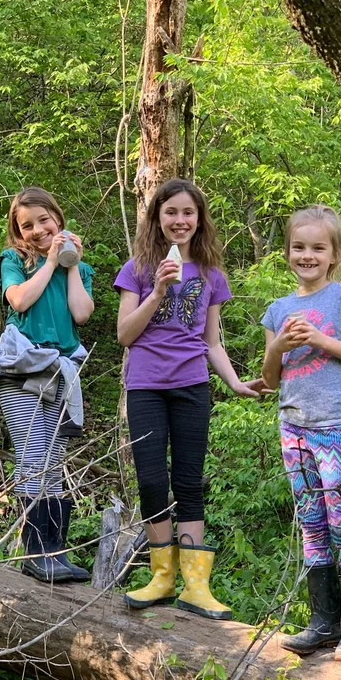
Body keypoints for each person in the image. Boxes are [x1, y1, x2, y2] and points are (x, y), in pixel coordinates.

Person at [115, 178, 264, 621]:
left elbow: (212, 341)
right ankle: (161, 578)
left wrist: (235, 383)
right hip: (145, 385)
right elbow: (124, 334)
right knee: (151, 481)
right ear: (157, 219)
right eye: (171, 213)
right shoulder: (137, 270)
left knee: (189, 480)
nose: (179, 221)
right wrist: (157, 291)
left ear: (199, 220)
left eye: (188, 213)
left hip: (192, 385)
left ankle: (197, 585)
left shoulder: (211, 274)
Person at [261, 205, 341, 662]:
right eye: (298, 247)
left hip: (336, 427)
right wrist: (278, 345)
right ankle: (322, 624)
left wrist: (319, 339)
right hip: (293, 427)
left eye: (317, 248)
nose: (306, 255)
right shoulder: (279, 310)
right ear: (287, 252)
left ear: (333, 254)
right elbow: (270, 380)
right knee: (311, 521)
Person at [0, 187, 94, 583]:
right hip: (20, 372)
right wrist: (49, 261)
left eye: (43, 221)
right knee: (33, 461)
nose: (36, 229)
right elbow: (18, 301)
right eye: (26, 225)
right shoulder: (14, 260)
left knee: (53, 465)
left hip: (60, 372)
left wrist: (69, 266)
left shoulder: (76, 268)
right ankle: (36, 554)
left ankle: (56, 552)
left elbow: (82, 315)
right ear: (17, 231)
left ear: (58, 218)